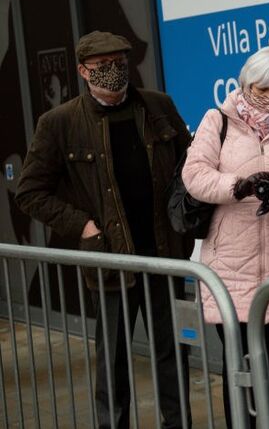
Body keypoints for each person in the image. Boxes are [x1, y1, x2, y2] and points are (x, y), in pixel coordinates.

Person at [16, 30, 192, 428]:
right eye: (103, 66)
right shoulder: (59, 123)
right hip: (112, 260)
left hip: (165, 254)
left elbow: (190, 164)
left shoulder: (157, 107)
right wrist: (84, 225)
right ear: (82, 71)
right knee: (112, 359)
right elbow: (29, 192)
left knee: (173, 353)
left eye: (120, 63)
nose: (114, 72)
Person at [182, 46, 269, 429]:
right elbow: (194, 175)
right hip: (230, 268)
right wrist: (239, 185)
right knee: (240, 372)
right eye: (262, 89)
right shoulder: (218, 121)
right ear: (244, 83)